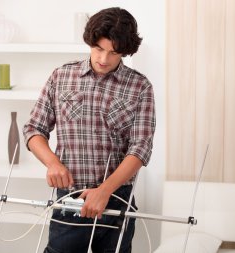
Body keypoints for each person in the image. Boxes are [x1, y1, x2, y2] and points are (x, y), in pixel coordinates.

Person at [23, 7, 156, 253]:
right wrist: (52, 162)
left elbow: (141, 148)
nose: (103, 59)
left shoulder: (140, 86)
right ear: (90, 42)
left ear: (125, 52)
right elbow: (34, 129)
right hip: (70, 200)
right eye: (98, 49)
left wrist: (104, 191)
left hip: (117, 200)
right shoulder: (61, 76)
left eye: (113, 53)